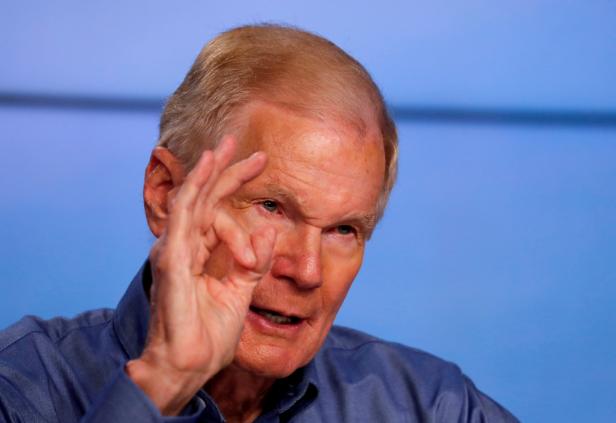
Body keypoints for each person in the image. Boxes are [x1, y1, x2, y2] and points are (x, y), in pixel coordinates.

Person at [0, 25, 519, 422]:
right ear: (165, 194)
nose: (308, 271)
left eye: (344, 230)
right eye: (271, 207)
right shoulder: (23, 387)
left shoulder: (430, 406)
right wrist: (162, 383)